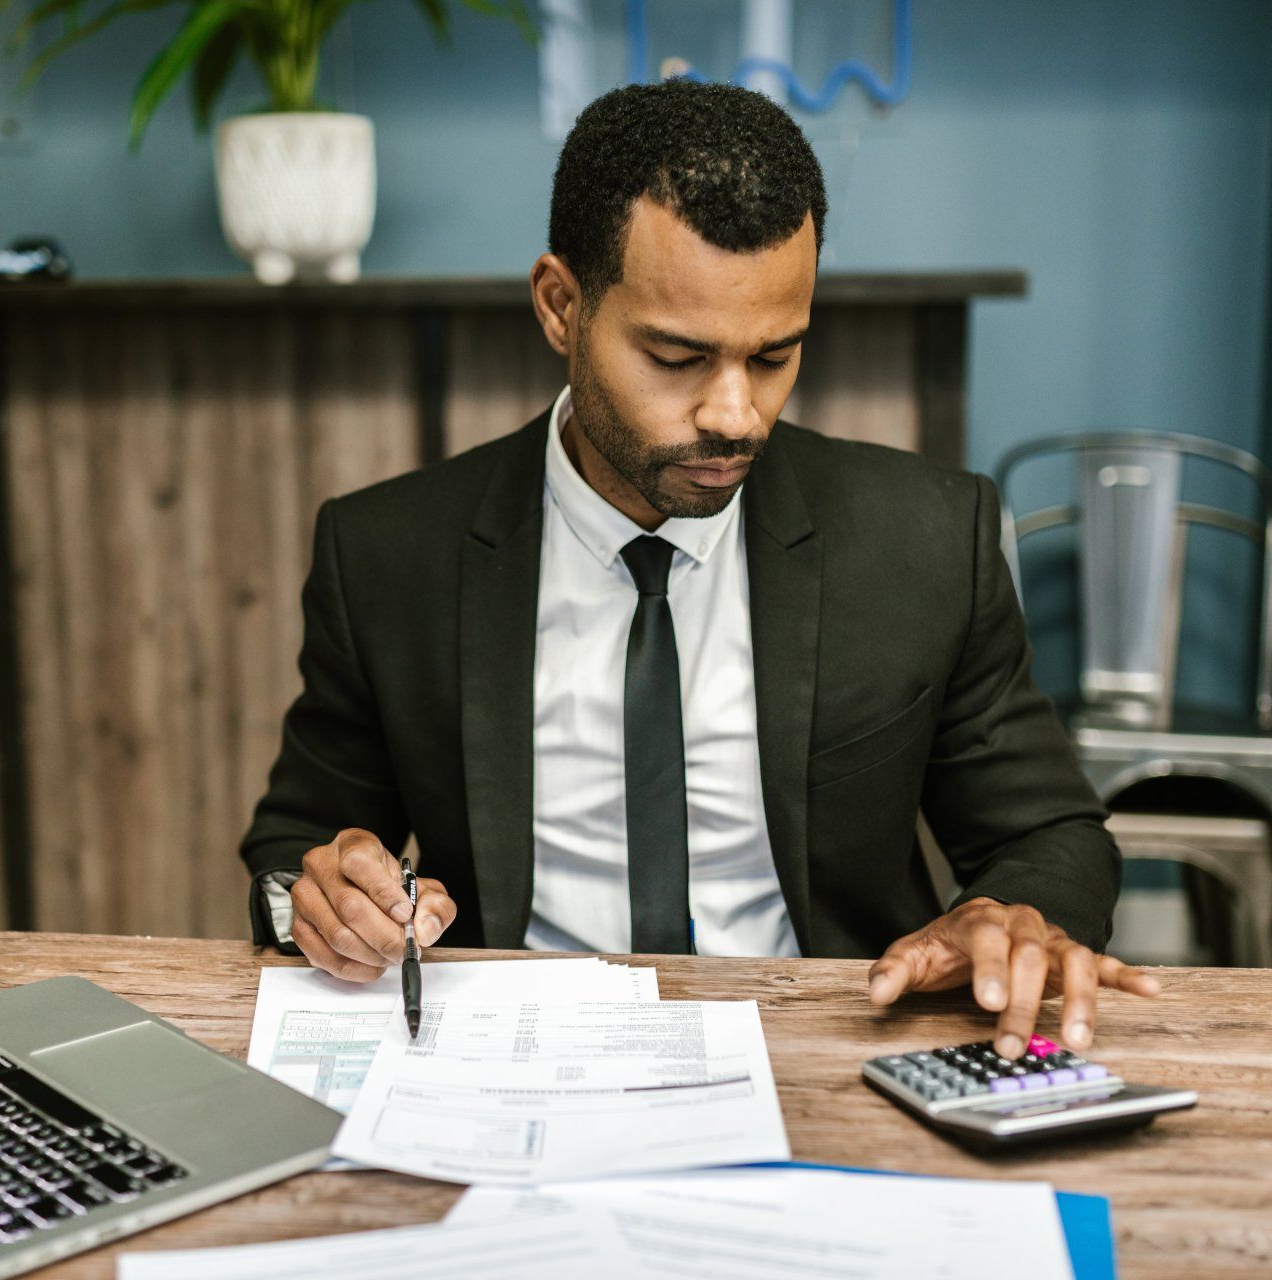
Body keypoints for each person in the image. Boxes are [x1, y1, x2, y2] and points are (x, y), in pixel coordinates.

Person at [241, 79, 1157, 1061]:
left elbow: (1055, 836)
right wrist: (320, 899)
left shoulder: (929, 540)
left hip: (833, 1053)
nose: (734, 413)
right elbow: (296, 846)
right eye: (677, 356)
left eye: (774, 355)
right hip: (509, 1060)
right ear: (561, 305)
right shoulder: (389, 555)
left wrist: (1009, 912)